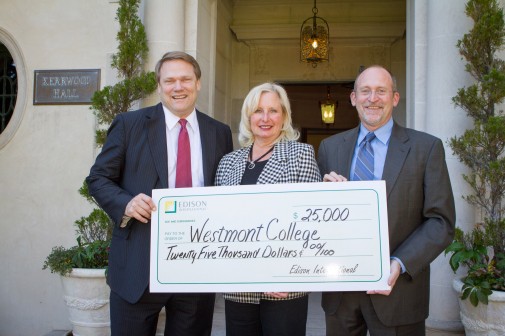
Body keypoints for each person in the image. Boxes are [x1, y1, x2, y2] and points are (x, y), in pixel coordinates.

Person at [86, 51, 233, 336]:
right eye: (170, 81)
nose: (178, 87)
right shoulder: (129, 125)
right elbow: (98, 178)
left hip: (196, 269)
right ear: (160, 85)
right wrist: (126, 203)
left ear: (198, 83)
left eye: (185, 79)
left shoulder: (219, 132)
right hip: (137, 267)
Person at [317, 65, 456, 336]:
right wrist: (323, 197)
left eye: (381, 91)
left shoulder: (426, 148)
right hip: (340, 294)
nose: (373, 98)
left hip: (399, 291)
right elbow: (316, 218)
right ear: (353, 98)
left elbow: (441, 221)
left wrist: (400, 263)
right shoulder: (330, 148)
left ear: (395, 98)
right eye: (365, 91)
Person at [215, 82, 321, 336]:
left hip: (284, 286)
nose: (265, 118)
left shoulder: (301, 154)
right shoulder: (228, 162)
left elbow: (310, 224)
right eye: (258, 111)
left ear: (284, 116)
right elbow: (219, 224)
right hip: (239, 284)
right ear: (248, 116)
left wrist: (288, 274)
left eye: (273, 110)